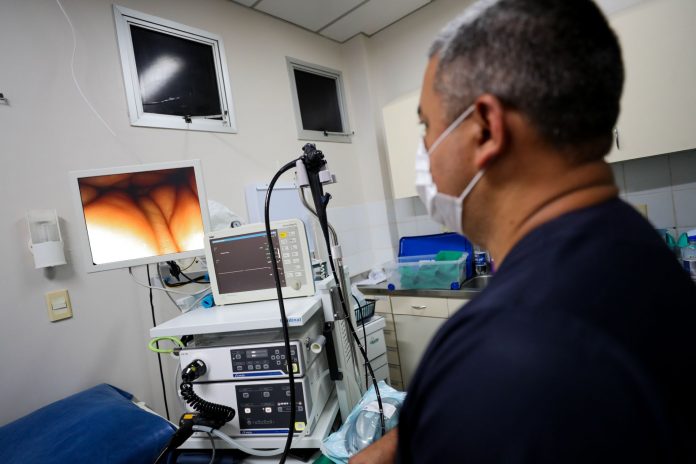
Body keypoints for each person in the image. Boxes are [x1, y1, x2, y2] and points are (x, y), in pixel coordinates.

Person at [350, 0, 696, 462]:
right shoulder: (635, 249)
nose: (426, 151)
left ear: (487, 130)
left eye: (428, 126)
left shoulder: (506, 349)